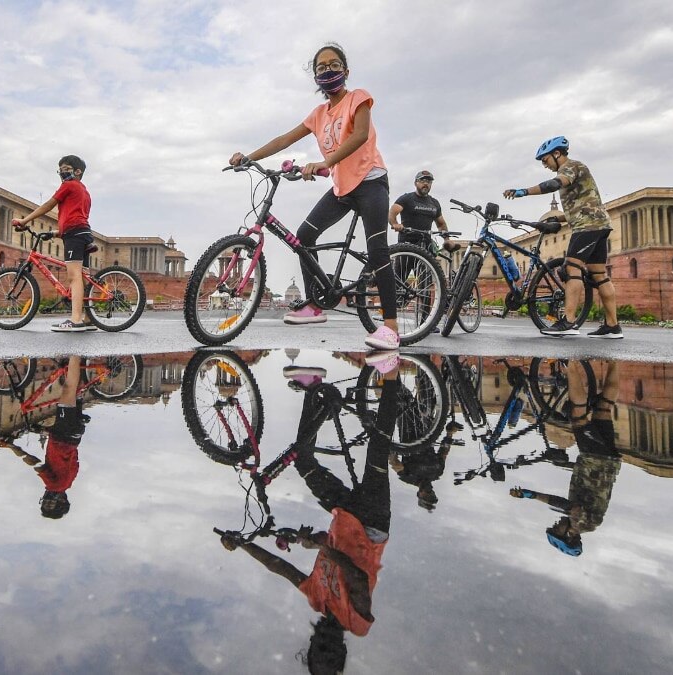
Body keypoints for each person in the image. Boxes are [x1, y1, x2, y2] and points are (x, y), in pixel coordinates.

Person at [222, 360, 400, 674]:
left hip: (344, 514)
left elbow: (280, 567)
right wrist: (321, 547)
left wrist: (242, 544)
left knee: (303, 461)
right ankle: (392, 375)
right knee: (377, 449)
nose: (326, 647)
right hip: (372, 521)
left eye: (319, 652)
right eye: (332, 656)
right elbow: (358, 579)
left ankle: (314, 390)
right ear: (341, 653)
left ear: (312, 646)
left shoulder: (316, 598)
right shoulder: (356, 623)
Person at [229, 43, 400, 351]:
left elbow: (360, 135)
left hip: (372, 181)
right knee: (304, 237)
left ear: (345, 72)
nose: (327, 70)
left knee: (377, 251)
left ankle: (390, 327)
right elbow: (284, 138)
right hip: (342, 188)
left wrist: (325, 162)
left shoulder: (357, 98)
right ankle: (315, 304)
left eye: (334, 65)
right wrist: (248, 158)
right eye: (321, 67)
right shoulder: (318, 114)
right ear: (316, 77)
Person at [504, 137, 623, 339]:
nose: (545, 164)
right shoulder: (576, 170)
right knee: (599, 275)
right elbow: (580, 206)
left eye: (545, 159)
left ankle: (568, 321)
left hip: (588, 227)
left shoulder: (571, 167)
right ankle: (612, 326)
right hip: (598, 225)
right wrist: (555, 218)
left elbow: (554, 184)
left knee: (571, 268)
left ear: (557, 154)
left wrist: (523, 191)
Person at [510, 359, 622, 556]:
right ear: (569, 536)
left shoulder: (589, 523)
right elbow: (564, 504)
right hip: (594, 458)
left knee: (603, 409)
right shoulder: (582, 523)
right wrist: (532, 495)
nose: (556, 524)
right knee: (577, 415)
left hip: (607, 462)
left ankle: (615, 362)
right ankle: (570, 364)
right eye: (557, 530)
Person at [11, 155, 97, 332]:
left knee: (74, 277)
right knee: (82, 278)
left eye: (66, 168)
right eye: (60, 169)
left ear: (77, 171)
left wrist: (24, 221)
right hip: (83, 234)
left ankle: (75, 320)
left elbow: (47, 206)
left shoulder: (68, 185)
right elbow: (78, 217)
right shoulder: (85, 192)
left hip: (75, 234)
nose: (62, 172)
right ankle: (88, 318)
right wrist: (55, 233)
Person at [8, 355, 89, 518]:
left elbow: (66, 456)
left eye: (44, 503)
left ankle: (81, 362)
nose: (46, 500)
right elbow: (35, 463)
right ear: (60, 501)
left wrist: (42, 431)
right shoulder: (54, 485)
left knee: (75, 393)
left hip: (73, 435)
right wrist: (13, 447)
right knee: (68, 389)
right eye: (50, 503)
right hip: (64, 433)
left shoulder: (69, 482)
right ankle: (75, 354)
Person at [390, 170, 455, 251]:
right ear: (415, 183)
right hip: (407, 244)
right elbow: (392, 213)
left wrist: (446, 240)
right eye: (422, 181)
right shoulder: (406, 198)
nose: (425, 184)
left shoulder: (434, 203)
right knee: (404, 263)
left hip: (426, 245)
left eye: (429, 181)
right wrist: (395, 224)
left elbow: (441, 224)